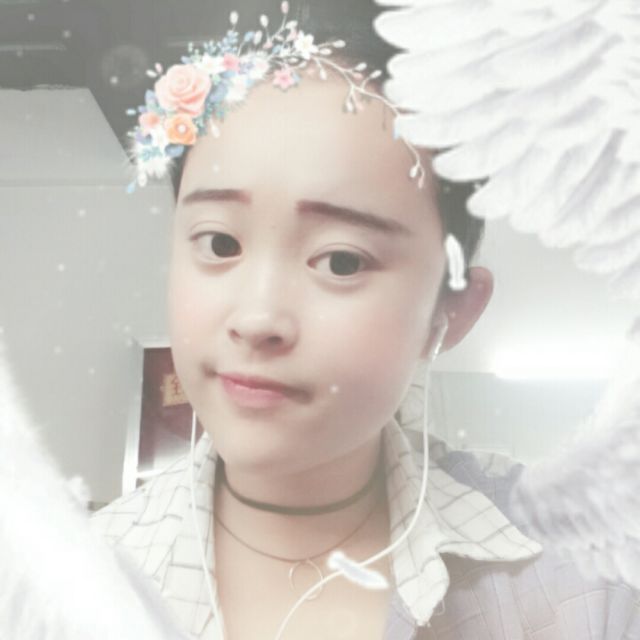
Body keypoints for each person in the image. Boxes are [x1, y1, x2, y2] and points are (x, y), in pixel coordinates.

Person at [90, 10, 640, 640]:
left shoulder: (584, 577)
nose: (257, 318)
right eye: (220, 244)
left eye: (342, 261)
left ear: (450, 311)